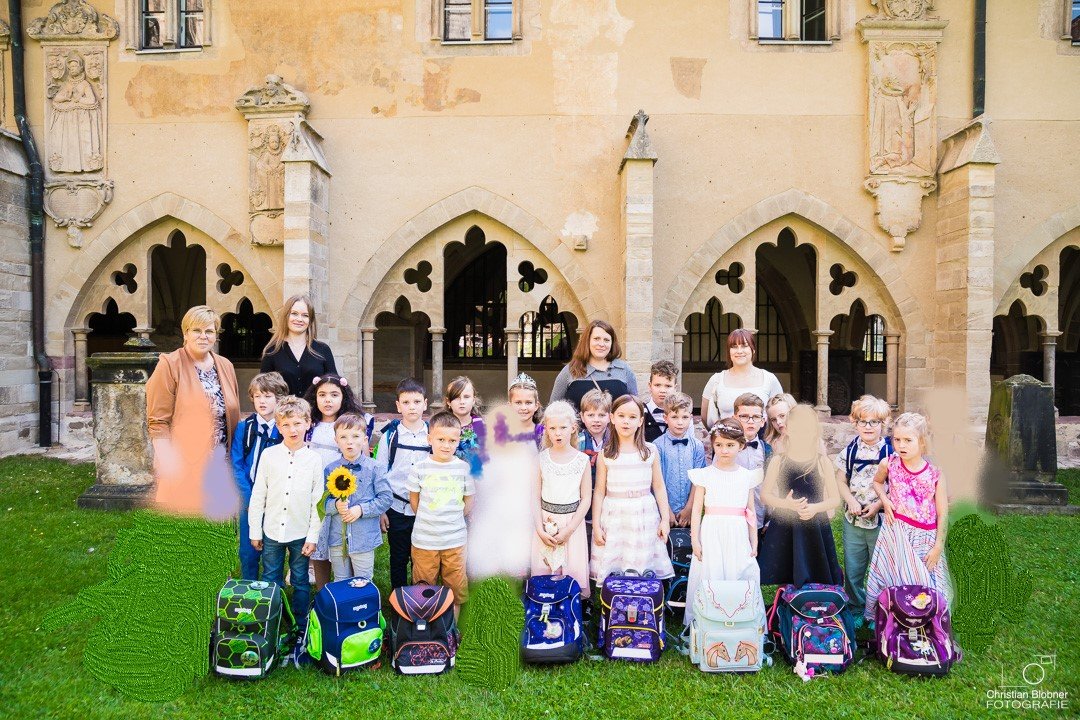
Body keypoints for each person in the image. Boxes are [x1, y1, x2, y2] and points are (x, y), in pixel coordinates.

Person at [147, 305, 241, 520]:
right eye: (197, 330)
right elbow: (158, 422)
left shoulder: (225, 365)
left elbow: (231, 413)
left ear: (216, 335)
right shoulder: (169, 365)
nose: (203, 336)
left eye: (209, 331)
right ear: (186, 333)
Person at [863, 413, 952, 623]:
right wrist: (885, 500)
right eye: (897, 439)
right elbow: (877, 482)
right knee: (894, 577)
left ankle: (927, 621)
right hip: (896, 532)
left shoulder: (935, 474)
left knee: (925, 581)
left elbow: (943, 512)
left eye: (908, 440)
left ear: (922, 442)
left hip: (924, 537)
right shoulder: (889, 464)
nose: (901, 445)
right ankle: (892, 618)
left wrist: (938, 546)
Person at [248, 396, 324, 636]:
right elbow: (258, 495)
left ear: (308, 423)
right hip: (272, 531)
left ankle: (300, 624)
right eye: (286, 425)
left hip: (300, 532)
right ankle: (271, 621)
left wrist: (312, 536)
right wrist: (255, 530)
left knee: (300, 579)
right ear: (278, 427)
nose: (293, 430)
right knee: (271, 577)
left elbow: (318, 502)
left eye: (298, 423)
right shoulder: (269, 455)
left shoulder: (314, 459)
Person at [684, 418, 762, 626]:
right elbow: (696, 511)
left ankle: (740, 619)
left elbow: (750, 511)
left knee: (740, 570)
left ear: (741, 446)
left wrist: (754, 540)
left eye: (730, 445)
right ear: (712, 445)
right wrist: (695, 541)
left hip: (737, 532)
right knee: (711, 572)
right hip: (712, 530)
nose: (724, 450)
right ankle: (706, 621)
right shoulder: (704, 475)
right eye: (719, 445)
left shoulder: (746, 476)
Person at [590, 395, 675, 582]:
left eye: (632, 417)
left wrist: (665, 520)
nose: (626, 421)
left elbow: (659, 486)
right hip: (615, 515)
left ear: (641, 421)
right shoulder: (606, 454)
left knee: (641, 564)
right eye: (621, 416)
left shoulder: (650, 451)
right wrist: (596, 525)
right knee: (617, 566)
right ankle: (615, 597)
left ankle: (641, 596)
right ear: (612, 418)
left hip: (643, 514)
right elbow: (599, 492)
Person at [757, 404, 843, 587]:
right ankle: (787, 600)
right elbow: (765, 495)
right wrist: (786, 504)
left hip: (815, 525)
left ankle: (813, 600)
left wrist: (815, 508)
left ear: (814, 432)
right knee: (787, 569)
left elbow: (835, 499)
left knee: (815, 568)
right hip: (786, 524)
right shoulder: (778, 461)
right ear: (787, 430)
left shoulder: (822, 462)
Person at [407, 412, 475, 617]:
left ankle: (452, 626)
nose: (446, 445)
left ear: (458, 441)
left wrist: (453, 518)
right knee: (424, 586)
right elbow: (414, 501)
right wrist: (428, 518)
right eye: (441, 439)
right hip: (424, 541)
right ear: (430, 439)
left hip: (454, 540)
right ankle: (427, 625)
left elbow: (468, 501)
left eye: (452, 441)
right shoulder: (419, 468)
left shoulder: (463, 468)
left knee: (455, 584)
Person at [834, 395, 893, 623]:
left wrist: (878, 504)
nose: (868, 427)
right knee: (854, 567)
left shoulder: (891, 453)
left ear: (882, 423)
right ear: (855, 423)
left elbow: (897, 486)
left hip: (881, 520)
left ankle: (881, 609)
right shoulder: (849, 452)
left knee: (882, 568)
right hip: (854, 519)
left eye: (874, 422)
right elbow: (841, 481)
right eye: (863, 421)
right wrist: (851, 501)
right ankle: (856, 606)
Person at [316, 414, 392, 582]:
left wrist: (361, 509)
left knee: (363, 581)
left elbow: (386, 498)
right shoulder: (330, 470)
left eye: (355, 436)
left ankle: (364, 600)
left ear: (365, 440)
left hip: (363, 538)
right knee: (341, 580)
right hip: (337, 538)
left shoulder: (375, 468)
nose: (349, 442)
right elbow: (321, 503)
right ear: (336, 440)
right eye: (343, 437)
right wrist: (336, 505)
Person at [302, 373, 361, 589]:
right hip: (316, 492)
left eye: (334, 395)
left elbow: (361, 458)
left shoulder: (349, 426)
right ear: (314, 397)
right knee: (320, 541)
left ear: (343, 397)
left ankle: (348, 588)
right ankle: (323, 591)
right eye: (322, 395)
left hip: (344, 493)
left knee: (342, 540)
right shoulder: (310, 426)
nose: (328, 400)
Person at [229, 371, 289, 579]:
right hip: (249, 496)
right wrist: (248, 496)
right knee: (248, 551)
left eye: (267, 396)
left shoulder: (285, 429)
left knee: (274, 551)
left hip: (276, 498)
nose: (262, 401)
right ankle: (249, 587)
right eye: (257, 396)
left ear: (279, 399)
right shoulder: (244, 428)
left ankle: (274, 590)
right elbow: (236, 463)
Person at [531, 401, 592, 598]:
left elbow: (586, 498)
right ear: (546, 430)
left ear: (573, 428)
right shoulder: (540, 459)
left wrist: (569, 529)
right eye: (553, 428)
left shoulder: (582, 460)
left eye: (563, 428)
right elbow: (534, 497)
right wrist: (540, 529)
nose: (558, 433)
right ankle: (545, 611)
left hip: (571, 525)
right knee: (545, 575)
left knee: (571, 572)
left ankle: (571, 611)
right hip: (546, 523)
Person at [376, 378, 430, 588]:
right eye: (406, 402)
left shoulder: (432, 435)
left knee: (422, 558)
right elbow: (380, 474)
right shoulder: (389, 436)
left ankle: (420, 598)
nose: (412, 407)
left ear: (425, 404)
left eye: (417, 402)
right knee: (398, 558)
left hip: (424, 508)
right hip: (396, 508)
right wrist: (382, 510)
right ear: (398, 406)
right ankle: (398, 599)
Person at [549, 320, 639, 412]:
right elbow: (552, 409)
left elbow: (636, 408)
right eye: (596, 339)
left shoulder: (624, 370)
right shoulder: (570, 370)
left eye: (606, 340)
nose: (601, 344)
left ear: (612, 343)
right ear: (587, 341)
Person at [701, 329, 784, 428]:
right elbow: (705, 417)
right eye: (734, 347)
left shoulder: (769, 379)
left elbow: (780, 413)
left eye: (744, 346)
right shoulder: (716, 380)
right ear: (729, 351)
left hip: (762, 437)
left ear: (753, 350)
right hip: (726, 436)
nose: (739, 351)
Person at [260, 295, 337, 397]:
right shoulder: (272, 351)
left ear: (310, 320)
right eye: (294, 314)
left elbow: (334, 386)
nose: (299, 319)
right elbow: (264, 390)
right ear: (286, 316)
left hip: (315, 408)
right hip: (283, 408)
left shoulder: (323, 350)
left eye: (305, 315)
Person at [654, 392, 706, 528]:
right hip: (663, 512)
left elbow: (699, 480)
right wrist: (667, 512)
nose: (680, 422)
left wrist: (689, 508)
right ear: (665, 418)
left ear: (691, 418)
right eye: (674, 417)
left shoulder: (697, 446)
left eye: (685, 417)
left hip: (691, 512)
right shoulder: (656, 446)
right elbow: (656, 481)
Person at [577, 388, 612, 549]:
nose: (596, 420)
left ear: (610, 416)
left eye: (601, 415)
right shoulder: (577, 442)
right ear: (582, 417)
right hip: (582, 505)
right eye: (591, 415)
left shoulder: (616, 442)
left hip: (608, 505)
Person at [732, 392, 771, 535]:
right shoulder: (725, 449)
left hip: (759, 516)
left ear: (763, 421)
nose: (750, 421)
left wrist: (770, 520)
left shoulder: (767, 450)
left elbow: (773, 485)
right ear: (735, 419)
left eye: (756, 417)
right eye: (744, 416)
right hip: (732, 517)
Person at [445, 376, 487, 477]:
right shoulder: (441, 427)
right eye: (456, 397)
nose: (462, 401)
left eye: (466, 397)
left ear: (473, 400)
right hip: (449, 479)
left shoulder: (483, 427)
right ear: (448, 401)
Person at [495, 372, 544, 449]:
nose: (523, 408)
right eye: (518, 402)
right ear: (509, 406)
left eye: (528, 402)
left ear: (536, 406)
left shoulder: (543, 432)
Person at [642, 360, 678, 442]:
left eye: (668, 386)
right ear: (650, 386)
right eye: (657, 385)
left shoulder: (683, 415)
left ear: (675, 388)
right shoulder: (640, 412)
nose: (662, 390)